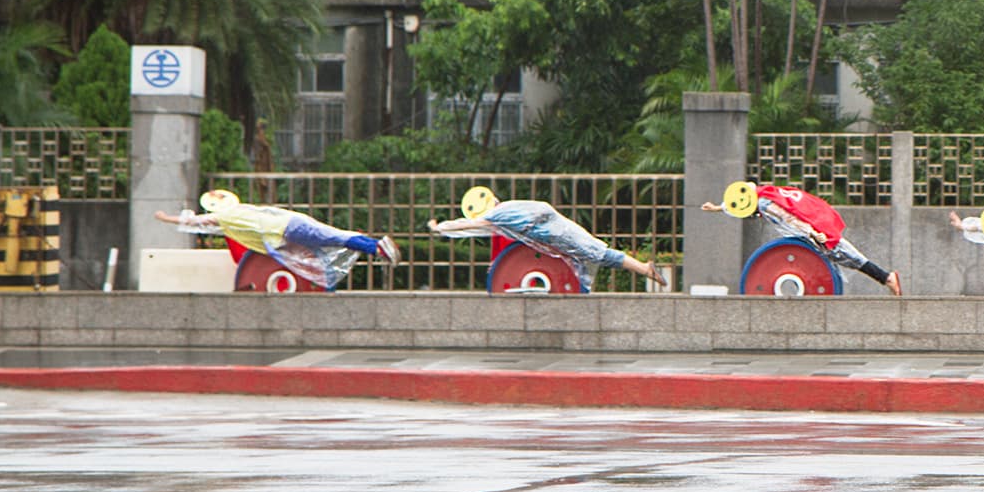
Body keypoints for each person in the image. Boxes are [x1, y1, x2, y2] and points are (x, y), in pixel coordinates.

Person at [156, 189, 397, 290]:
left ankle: (376, 248)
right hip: (289, 227)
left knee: (330, 243)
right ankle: (375, 248)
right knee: (330, 243)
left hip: (284, 233)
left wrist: (167, 218)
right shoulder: (241, 211)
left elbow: (195, 222)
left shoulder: (225, 216)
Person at [430, 186, 667, 289]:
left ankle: (644, 269)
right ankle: (642, 269)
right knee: (592, 253)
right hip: (554, 228)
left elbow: (471, 225)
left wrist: (441, 228)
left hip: (553, 232)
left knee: (595, 253)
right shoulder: (507, 208)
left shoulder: (496, 215)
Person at [702, 181, 902, 296]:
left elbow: (790, 218)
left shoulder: (765, 204)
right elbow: (740, 202)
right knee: (845, 256)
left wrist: (813, 233)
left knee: (846, 255)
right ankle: (885, 278)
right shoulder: (765, 193)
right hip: (813, 221)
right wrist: (718, 208)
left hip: (809, 230)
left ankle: (886, 277)